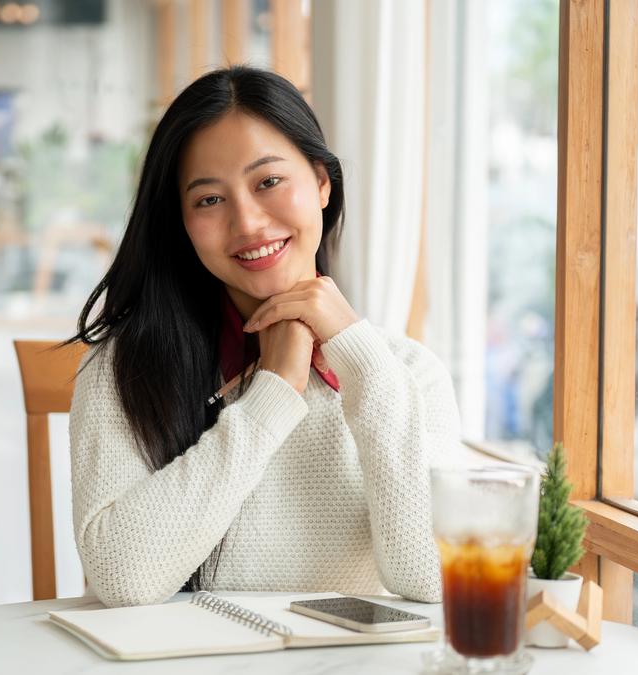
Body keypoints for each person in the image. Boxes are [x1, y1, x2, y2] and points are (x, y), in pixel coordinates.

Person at [67, 66, 461, 608]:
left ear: (321, 183)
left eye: (268, 182)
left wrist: (361, 360)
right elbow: (123, 580)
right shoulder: (125, 368)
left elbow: (430, 577)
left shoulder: (408, 374)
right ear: (181, 223)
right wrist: (272, 393)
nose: (248, 223)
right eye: (209, 200)